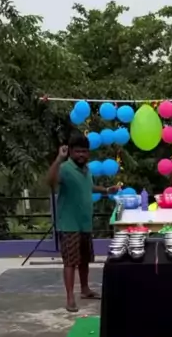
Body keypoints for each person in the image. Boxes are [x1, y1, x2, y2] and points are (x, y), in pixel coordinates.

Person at [47, 133, 119, 312]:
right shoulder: (65, 168)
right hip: (69, 224)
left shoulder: (87, 170)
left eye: (84, 151)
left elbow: (88, 187)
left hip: (85, 223)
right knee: (70, 262)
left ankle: (85, 289)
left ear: (88, 153)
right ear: (70, 151)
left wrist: (106, 190)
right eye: (77, 151)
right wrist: (58, 159)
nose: (81, 155)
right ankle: (70, 298)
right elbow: (50, 181)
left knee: (84, 260)